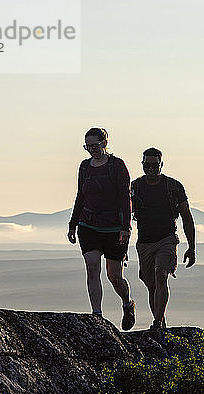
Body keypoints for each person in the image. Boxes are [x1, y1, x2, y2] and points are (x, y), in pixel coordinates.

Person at [67, 127, 136, 331]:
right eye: (87, 147)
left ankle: (127, 303)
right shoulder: (85, 167)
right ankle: (97, 315)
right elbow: (81, 195)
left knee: (114, 276)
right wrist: (73, 224)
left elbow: (125, 198)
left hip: (114, 228)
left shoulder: (117, 166)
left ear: (105, 143)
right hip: (88, 225)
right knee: (92, 267)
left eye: (95, 145)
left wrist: (125, 227)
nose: (92, 150)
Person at [131, 147, 196, 330]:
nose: (151, 169)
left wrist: (191, 247)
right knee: (151, 285)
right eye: (147, 166)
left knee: (161, 275)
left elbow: (186, 216)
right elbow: (124, 215)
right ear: (142, 165)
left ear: (161, 165)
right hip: (144, 243)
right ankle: (160, 320)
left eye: (154, 166)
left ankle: (157, 322)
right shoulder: (135, 187)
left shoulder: (173, 187)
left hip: (167, 239)